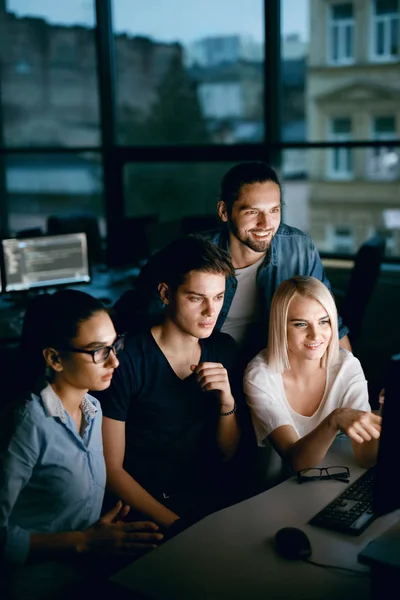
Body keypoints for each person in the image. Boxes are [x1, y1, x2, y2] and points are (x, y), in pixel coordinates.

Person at [0, 290, 162, 599]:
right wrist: (85, 541)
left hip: (85, 578)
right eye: (99, 351)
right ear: (54, 358)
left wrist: (98, 534)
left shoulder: (92, 408)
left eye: (115, 345)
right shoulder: (26, 424)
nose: (115, 360)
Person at [114, 162, 350, 363]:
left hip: (273, 371)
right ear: (224, 211)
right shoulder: (191, 252)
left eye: (274, 210)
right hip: (205, 368)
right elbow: (140, 313)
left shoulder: (299, 249)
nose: (266, 223)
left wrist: (356, 392)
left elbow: (331, 325)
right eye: (252, 212)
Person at [96, 236, 245, 531]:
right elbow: (111, 470)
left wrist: (227, 402)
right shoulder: (126, 361)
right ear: (166, 293)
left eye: (218, 297)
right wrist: (176, 525)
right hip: (145, 510)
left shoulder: (224, 349)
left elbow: (227, 454)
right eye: (195, 297)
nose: (210, 311)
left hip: (206, 500)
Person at [243, 276, 381, 478]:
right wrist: (334, 420)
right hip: (275, 490)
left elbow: (366, 457)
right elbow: (298, 463)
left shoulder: (346, 365)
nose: (316, 335)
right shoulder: (260, 376)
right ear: (280, 326)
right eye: (301, 324)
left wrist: (389, 415)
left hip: (331, 481)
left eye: (324, 322)